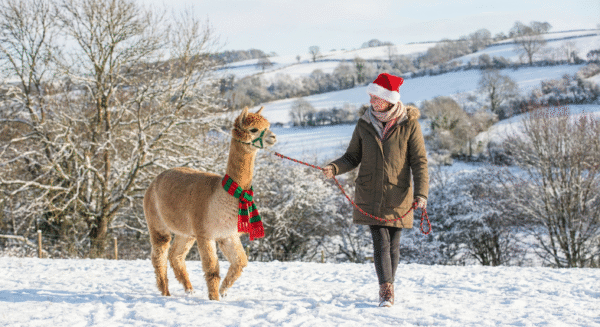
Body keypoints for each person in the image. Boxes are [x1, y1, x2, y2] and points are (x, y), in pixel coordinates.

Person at [322, 73, 429, 307]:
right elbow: (352, 156)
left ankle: (389, 283)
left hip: (397, 193)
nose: (372, 102)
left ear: (389, 99)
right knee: (380, 240)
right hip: (369, 192)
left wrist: (421, 194)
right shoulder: (364, 123)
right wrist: (334, 167)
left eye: (376, 98)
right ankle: (386, 291)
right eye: (371, 97)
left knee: (394, 243)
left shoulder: (409, 124)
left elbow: (419, 161)